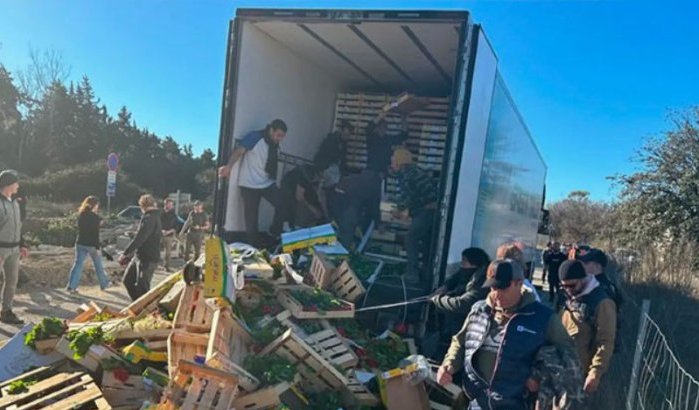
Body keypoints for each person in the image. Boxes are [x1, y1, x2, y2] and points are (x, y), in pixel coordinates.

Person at [437, 259, 574, 409]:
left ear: (519, 283)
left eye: (503, 288)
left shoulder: (542, 318)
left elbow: (568, 355)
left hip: (518, 403)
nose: (497, 294)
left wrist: (540, 377)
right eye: (493, 288)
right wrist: (449, 365)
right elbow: (460, 342)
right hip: (478, 401)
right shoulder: (479, 310)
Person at [218, 119, 286, 241]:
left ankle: (275, 231)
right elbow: (239, 151)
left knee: (283, 203)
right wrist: (229, 166)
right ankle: (253, 246)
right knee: (251, 222)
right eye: (279, 135)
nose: (280, 139)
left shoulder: (275, 145)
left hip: (266, 183)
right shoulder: (255, 137)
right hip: (249, 185)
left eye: (282, 137)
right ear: (271, 130)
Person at [558, 259, 617, 395]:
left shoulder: (602, 303)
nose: (568, 290)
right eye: (564, 287)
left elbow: (606, 341)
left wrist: (595, 372)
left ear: (583, 279)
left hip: (583, 378)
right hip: (562, 371)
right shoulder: (568, 298)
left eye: (572, 286)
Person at [390, 148, 438, 285]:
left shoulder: (406, 174)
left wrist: (398, 211)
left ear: (399, 161)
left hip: (426, 211)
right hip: (431, 211)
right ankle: (426, 275)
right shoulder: (415, 171)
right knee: (427, 244)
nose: (392, 162)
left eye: (393, 159)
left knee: (411, 238)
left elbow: (407, 197)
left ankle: (412, 274)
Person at [431, 247, 491, 335]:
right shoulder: (471, 272)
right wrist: (445, 286)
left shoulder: (482, 282)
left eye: (464, 261)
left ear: (473, 264)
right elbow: (456, 277)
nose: (461, 264)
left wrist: (437, 299)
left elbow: (462, 304)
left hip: (469, 327)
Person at [119, 194, 162, 301]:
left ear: (142, 206)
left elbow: (141, 238)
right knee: (128, 280)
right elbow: (144, 235)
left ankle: (146, 310)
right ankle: (138, 306)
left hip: (148, 257)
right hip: (140, 255)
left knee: (142, 288)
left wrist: (125, 253)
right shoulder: (150, 217)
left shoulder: (150, 218)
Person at [0, 170, 28, 325]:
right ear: (9, 184)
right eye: (16, 182)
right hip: (0, 249)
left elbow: (18, 227)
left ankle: (6, 311)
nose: (18, 185)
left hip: (14, 249)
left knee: (12, 281)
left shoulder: (15, 203)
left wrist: (22, 244)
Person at [66, 196, 110, 293]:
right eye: (97, 205)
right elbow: (95, 234)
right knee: (98, 265)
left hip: (80, 242)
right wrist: (98, 246)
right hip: (92, 245)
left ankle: (71, 286)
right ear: (95, 205)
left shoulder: (81, 215)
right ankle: (104, 284)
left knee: (78, 264)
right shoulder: (95, 218)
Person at [331, 170, 383, 250]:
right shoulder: (375, 184)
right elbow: (374, 206)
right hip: (350, 209)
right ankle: (344, 256)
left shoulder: (352, 178)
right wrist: (378, 223)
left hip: (337, 205)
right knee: (346, 236)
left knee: (340, 233)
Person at [271, 164, 324, 233]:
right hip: (292, 191)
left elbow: (319, 214)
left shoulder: (311, 185)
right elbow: (299, 196)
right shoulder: (303, 180)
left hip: (297, 195)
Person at [160, 198, 178, 271]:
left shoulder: (174, 215)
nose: (170, 206)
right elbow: (157, 223)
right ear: (165, 204)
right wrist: (161, 230)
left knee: (168, 252)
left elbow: (176, 226)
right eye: (169, 204)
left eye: (172, 205)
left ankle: (166, 266)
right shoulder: (160, 213)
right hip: (159, 234)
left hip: (169, 235)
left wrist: (169, 231)